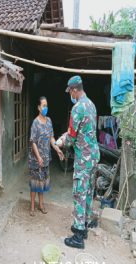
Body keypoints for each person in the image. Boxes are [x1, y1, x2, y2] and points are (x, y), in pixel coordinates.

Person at [56, 76, 100, 249]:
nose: (70, 95)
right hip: (94, 155)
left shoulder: (77, 108)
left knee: (79, 193)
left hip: (83, 158)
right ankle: (85, 225)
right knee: (88, 191)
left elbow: (71, 137)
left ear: (74, 90)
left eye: (70, 91)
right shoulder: (91, 104)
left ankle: (78, 236)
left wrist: (60, 141)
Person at [28, 96, 64, 217]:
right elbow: (32, 141)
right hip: (35, 159)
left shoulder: (49, 121)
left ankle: (41, 205)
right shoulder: (35, 122)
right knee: (35, 183)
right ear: (38, 107)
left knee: (42, 182)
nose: (45, 108)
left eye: (46, 105)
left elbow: (51, 137)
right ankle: (32, 206)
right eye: (43, 106)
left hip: (46, 158)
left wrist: (57, 148)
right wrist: (38, 157)